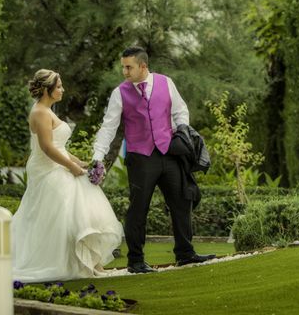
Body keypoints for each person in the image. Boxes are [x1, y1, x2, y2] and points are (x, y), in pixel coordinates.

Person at [92, 46, 214, 274]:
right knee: (139, 209)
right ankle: (136, 261)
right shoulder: (120, 93)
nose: (125, 72)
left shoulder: (166, 83)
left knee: (181, 201)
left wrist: (183, 131)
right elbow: (109, 128)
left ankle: (185, 254)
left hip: (169, 152)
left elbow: (180, 111)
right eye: (123, 67)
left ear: (143, 66)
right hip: (140, 157)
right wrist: (98, 156)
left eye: (129, 67)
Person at [12, 69, 123, 283]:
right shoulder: (40, 113)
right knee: (64, 214)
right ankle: (69, 262)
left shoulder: (47, 110)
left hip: (58, 164)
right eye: (59, 86)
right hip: (48, 169)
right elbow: (47, 148)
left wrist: (78, 162)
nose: (63, 90)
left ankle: (88, 263)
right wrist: (71, 167)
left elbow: (58, 146)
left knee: (77, 213)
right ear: (47, 90)